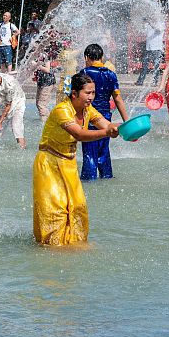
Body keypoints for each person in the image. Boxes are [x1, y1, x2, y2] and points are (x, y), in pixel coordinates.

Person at [32, 72, 119, 246]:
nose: (91, 97)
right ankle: (52, 247)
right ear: (74, 94)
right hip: (48, 163)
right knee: (54, 209)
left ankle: (74, 244)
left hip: (68, 163)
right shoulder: (62, 110)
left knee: (78, 206)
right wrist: (106, 132)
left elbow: (105, 124)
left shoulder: (88, 110)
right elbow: (79, 134)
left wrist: (123, 129)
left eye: (93, 93)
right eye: (87, 93)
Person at [80, 44, 129, 178]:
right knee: (103, 152)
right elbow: (118, 99)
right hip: (106, 118)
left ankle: (88, 180)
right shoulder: (111, 75)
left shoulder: (84, 73)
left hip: (89, 118)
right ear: (102, 57)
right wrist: (127, 122)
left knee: (90, 153)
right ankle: (107, 176)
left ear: (86, 57)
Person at [0, 63, 27, 149]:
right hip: (2, 102)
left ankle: (22, 150)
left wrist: (0, 122)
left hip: (17, 102)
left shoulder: (9, 84)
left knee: (16, 128)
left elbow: (8, 105)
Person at [136, 17, 165, 86]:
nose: (152, 17)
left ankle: (155, 82)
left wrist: (150, 23)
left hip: (157, 49)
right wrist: (143, 23)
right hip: (148, 48)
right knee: (144, 66)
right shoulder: (148, 25)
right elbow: (142, 31)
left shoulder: (161, 24)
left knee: (156, 67)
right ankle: (140, 81)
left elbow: (158, 30)